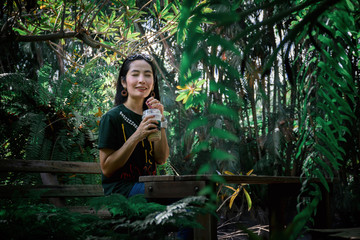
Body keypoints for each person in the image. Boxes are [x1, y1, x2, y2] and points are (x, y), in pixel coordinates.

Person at [98, 53, 169, 197]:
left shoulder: (151, 115)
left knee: (199, 197)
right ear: (123, 82)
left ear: (153, 83)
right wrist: (137, 135)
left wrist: (161, 120)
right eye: (135, 74)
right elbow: (106, 168)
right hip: (120, 192)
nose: (142, 80)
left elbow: (161, 159)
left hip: (149, 188)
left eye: (147, 75)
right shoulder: (112, 118)